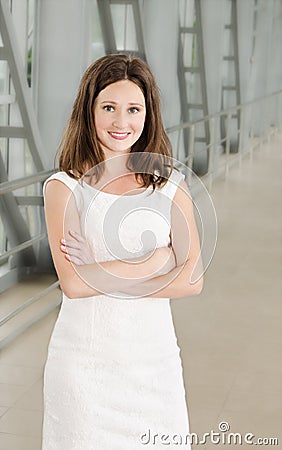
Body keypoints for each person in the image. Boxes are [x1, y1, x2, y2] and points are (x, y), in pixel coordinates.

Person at [42, 54, 203, 449]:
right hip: (86, 366)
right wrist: (154, 261)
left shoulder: (170, 186)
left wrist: (103, 272)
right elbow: (74, 286)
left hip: (154, 364)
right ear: (89, 110)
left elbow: (194, 280)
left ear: (148, 115)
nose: (121, 122)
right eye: (109, 107)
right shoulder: (63, 187)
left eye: (134, 109)